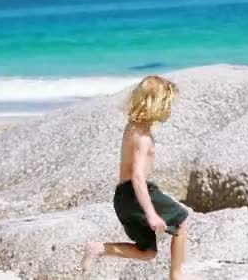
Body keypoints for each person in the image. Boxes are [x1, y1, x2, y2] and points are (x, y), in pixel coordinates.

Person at [81, 75, 190, 280]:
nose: (170, 110)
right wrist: (151, 214)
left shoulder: (132, 126)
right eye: (168, 105)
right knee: (181, 220)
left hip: (124, 197)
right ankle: (176, 275)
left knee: (147, 252)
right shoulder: (143, 138)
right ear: (157, 105)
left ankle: (100, 248)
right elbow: (138, 177)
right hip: (136, 193)